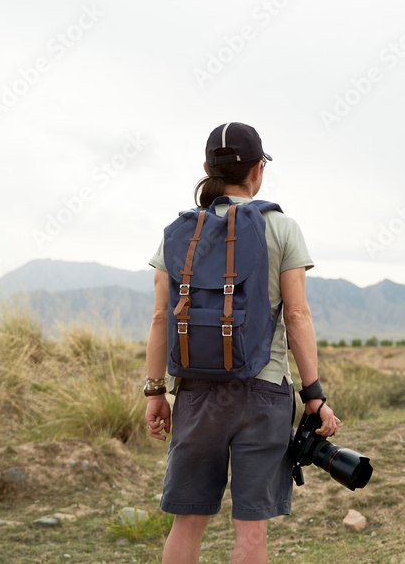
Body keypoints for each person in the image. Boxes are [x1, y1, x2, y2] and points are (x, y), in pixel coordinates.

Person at [144, 122, 340, 564]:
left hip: (195, 393)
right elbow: (297, 315)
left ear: (206, 168)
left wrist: (156, 391)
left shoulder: (177, 233)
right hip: (264, 389)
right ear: (258, 170)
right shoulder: (282, 227)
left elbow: (160, 317)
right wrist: (314, 397)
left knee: (187, 522)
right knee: (251, 534)